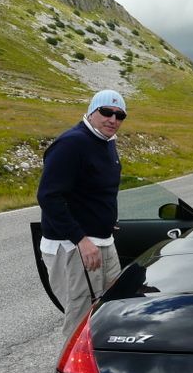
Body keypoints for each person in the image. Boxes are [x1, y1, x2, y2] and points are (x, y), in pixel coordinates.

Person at [37, 89, 127, 337]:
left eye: (120, 116)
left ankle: (104, 362)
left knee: (110, 305)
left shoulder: (106, 142)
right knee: (81, 316)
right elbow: (48, 196)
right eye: (106, 112)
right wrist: (80, 238)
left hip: (102, 240)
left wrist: (108, 220)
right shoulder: (72, 143)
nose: (113, 120)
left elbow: (97, 192)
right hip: (74, 245)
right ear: (91, 111)